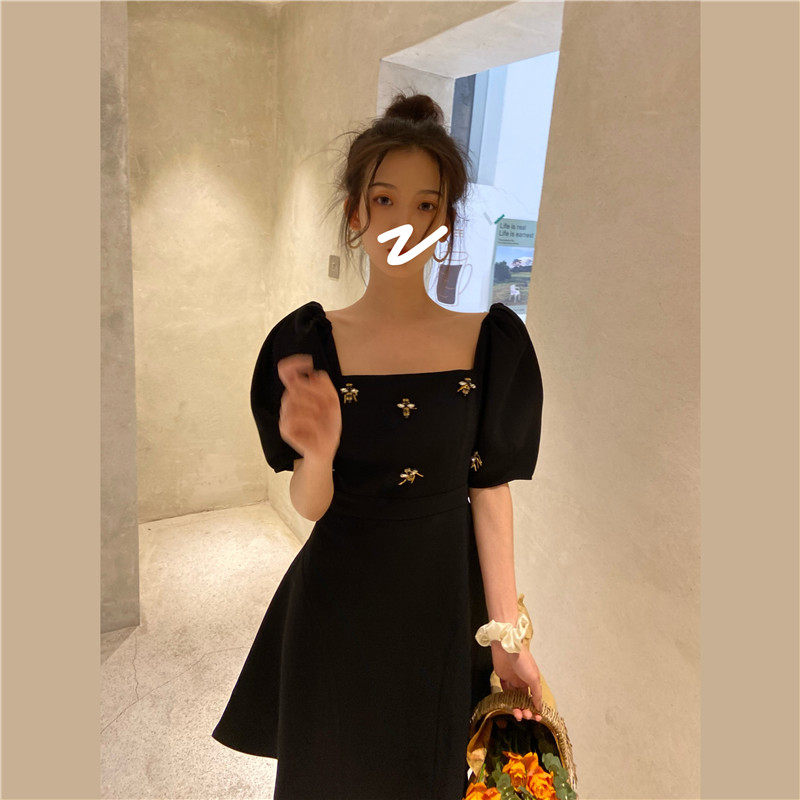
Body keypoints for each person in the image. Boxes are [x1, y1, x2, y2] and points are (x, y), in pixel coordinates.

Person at [211, 92, 545, 800]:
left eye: (426, 206)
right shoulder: (311, 341)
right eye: (385, 200)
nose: (403, 224)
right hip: (337, 600)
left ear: (445, 224)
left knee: (430, 773)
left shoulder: (489, 342)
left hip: (441, 603)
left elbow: (488, 491)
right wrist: (318, 453)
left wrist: (509, 639)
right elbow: (311, 505)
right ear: (355, 212)